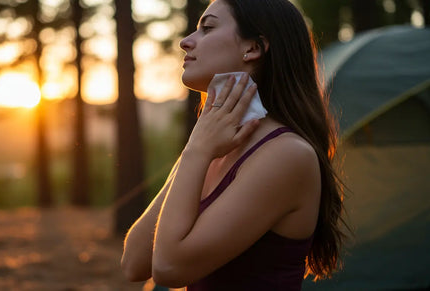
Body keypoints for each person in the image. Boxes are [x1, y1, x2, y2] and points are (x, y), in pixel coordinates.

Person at [121, 0, 347, 289]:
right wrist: (199, 147)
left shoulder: (287, 155)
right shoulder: (213, 146)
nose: (186, 42)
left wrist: (196, 151)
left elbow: (168, 269)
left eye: (208, 28)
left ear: (253, 48)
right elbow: (134, 262)